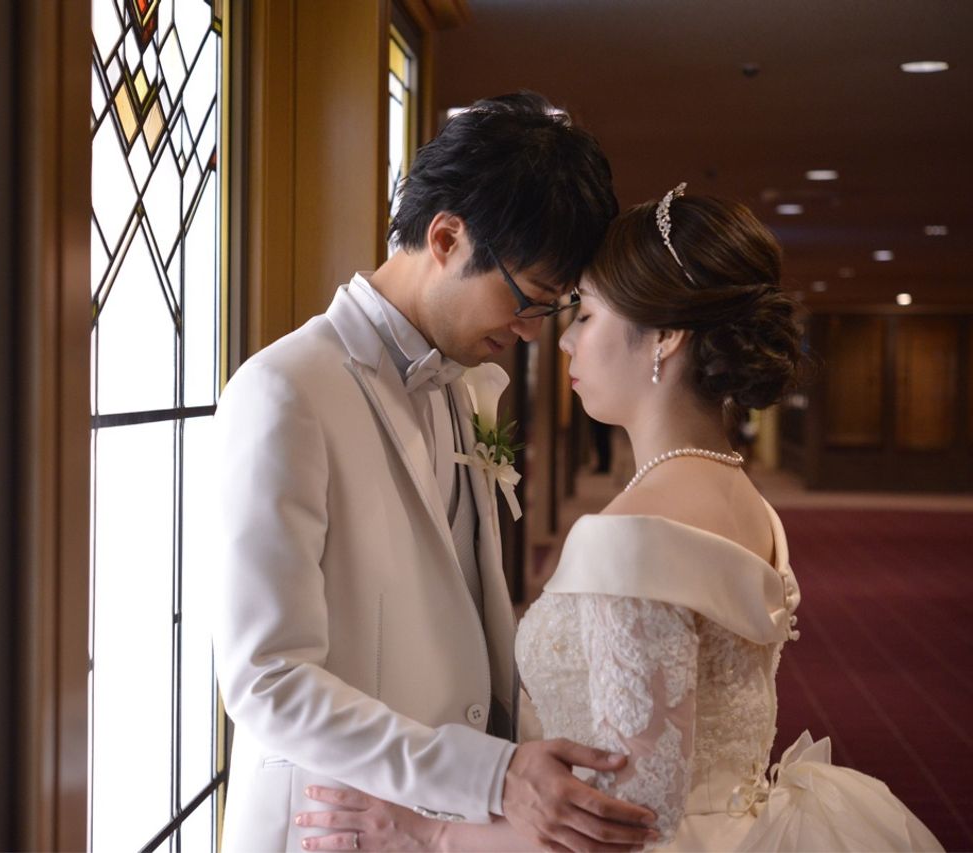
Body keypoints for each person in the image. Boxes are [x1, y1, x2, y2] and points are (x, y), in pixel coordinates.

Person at [295, 185, 944, 851]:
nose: (567, 341)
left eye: (586, 314)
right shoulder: (751, 502)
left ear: (664, 335)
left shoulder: (631, 534)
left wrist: (427, 832)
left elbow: (625, 819)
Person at [210, 93, 663, 852]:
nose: (529, 334)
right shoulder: (286, 390)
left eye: (549, 311)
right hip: (333, 824)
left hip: (445, 827)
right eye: (526, 300)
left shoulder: (467, 383)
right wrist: (491, 776)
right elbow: (267, 680)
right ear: (447, 237)